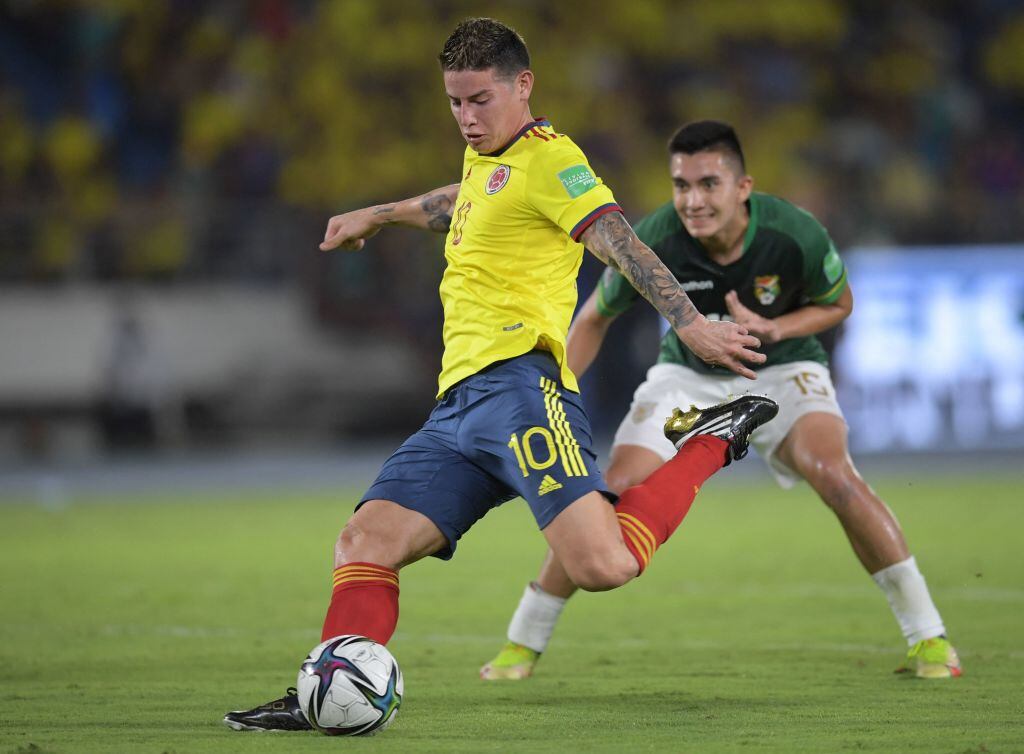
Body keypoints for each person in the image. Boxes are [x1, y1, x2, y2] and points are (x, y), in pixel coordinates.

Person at [223, 20, 779, 732]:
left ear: (524, 86)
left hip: (521, 391)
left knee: (603, 566)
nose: (466, 116)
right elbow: (463, 200)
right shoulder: (488, 159)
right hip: (456, 409)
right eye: (455, 102)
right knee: (365, 542)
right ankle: (323, 691)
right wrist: (381, 215)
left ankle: (709, 441)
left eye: (480, 100)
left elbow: (619, 241)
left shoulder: (553, 160)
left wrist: (690, 323)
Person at [479, 120, 961, 683]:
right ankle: (524, 641)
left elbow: (839, 303)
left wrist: (776, 328)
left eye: (709, 184)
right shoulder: (656, 237)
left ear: (742, 187)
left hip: (781, 367)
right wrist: (552, 393)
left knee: (834, 474)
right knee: (614, 490)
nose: (693, 200)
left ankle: (929, 637)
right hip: (688, 377)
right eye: (681, 185)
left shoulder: (794, 233)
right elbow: (593, 319)